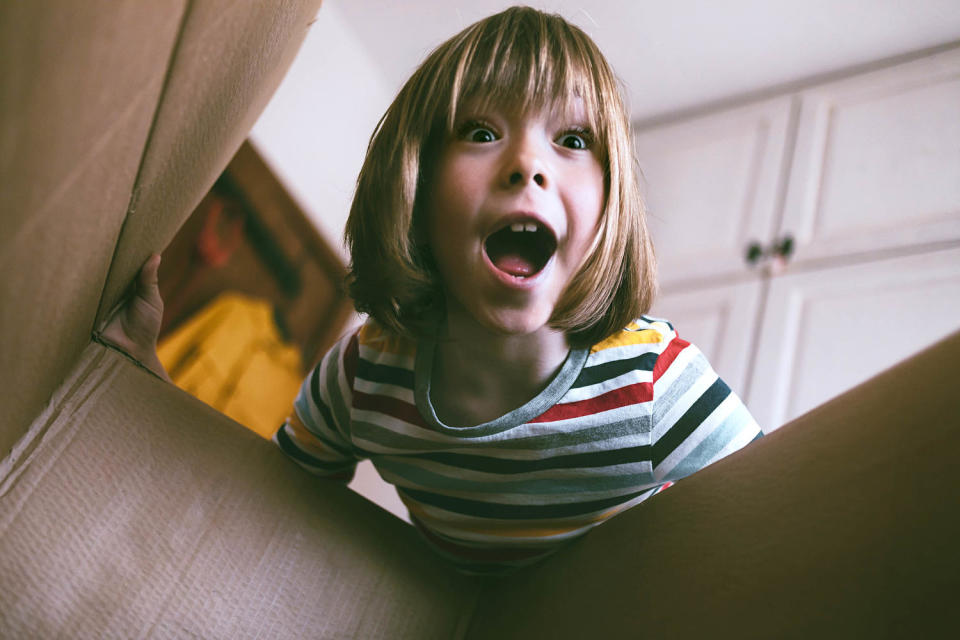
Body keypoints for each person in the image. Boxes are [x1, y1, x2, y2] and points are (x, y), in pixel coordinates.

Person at [104, 7, 762, 576]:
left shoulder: (655, 381)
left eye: (572, 139)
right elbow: (272, 497)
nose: (528, 165)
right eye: (480, 133)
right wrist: (148, 380)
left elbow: (786, 508)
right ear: (415, 187)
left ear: (611, 200)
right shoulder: (363, 377)